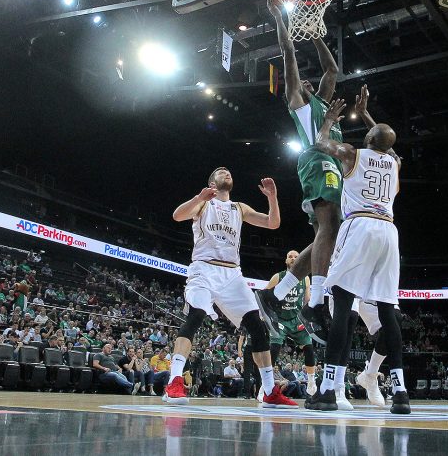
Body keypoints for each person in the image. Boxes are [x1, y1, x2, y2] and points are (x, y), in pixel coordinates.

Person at [303, 96, 409, 414]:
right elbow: (385, 142)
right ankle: (401, 393)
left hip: (360, 225)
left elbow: (321, 143)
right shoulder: (394, 162)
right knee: (388, 312)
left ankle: (327, 390)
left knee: (343, 308)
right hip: (389, 232)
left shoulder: (352, 154)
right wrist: (365, 115)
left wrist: (329, 120)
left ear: (367, 140)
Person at [162, 168, 296, 408]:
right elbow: (177, 215)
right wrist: (199, 198)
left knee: (258, 327)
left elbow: (272, 223)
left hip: (232, 274)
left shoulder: (239, 208)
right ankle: (174, 381)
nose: (227, 173)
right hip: (204, 269)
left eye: (229, 172)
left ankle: (268, 391)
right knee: (196, 315)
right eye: (221, 172)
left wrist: (272, 198)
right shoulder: (204, 204)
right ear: (212, 181)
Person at [256, 0, 342, 342]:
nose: (307, 81)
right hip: (315, 162)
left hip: (330, 167)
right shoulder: (300, 103)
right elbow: (288, 50)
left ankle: (274, 297)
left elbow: (332, 72)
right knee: (331, 226)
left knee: (327, 234)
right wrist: (282, 19)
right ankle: (316, 303)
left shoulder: (322, 102)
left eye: (309, 81)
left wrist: (316, 30)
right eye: (302, 81)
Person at [261, 250, 317, 396]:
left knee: (309, 347)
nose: (293, 259)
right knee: (274, 349)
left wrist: (308, 318)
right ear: (286, 261)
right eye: (290, 257)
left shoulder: (305, 279)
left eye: (296, 257)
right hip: (280, 319)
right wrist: (265, 315)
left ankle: (311, 381)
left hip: (297, 319)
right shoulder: (278, 277)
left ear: (300, 260)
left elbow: (306, 300)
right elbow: (263, 297)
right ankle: (265, 386)